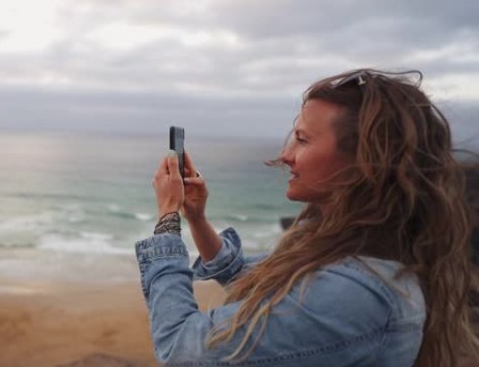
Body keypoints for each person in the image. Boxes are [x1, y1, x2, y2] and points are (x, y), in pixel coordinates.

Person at [135, 69, 478, 367]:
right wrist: (196, 217)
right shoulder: (347, 252)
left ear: (363, 162)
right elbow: (249, 278)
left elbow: (182, 347)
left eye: (302, 139)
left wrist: (168, 217)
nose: (285, 155)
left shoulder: (357, 293)